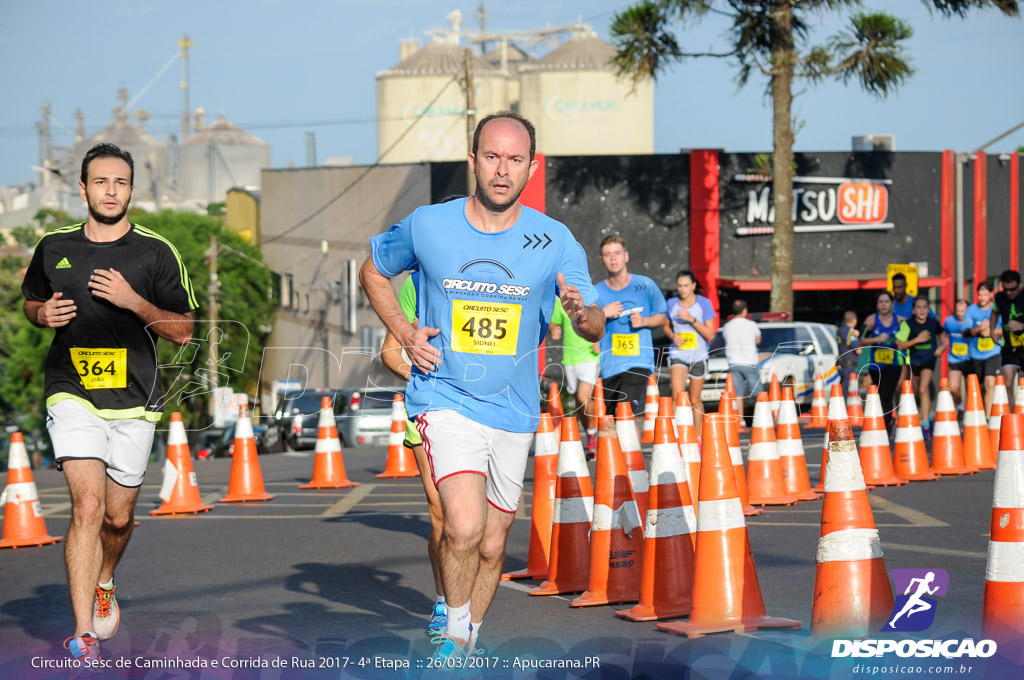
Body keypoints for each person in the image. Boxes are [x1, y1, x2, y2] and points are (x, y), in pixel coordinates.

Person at [359, 111, 603, 667]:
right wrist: (403, 330)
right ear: (472, 160)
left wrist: (580, 312)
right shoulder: (428, 225)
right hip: (444, 397)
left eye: (515, 160)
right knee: (462, 527)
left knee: (493, 545)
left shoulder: (555, 240)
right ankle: (455, 641)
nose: (502, 170)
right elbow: (372, 271)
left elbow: (592, 324)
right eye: (491, 157)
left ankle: (466, 629)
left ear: (531, 167)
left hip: (515, 410)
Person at [21, 143, 197, 660]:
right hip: (72, 390)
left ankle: (104, 580)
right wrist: (41, 315)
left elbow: (184, 331)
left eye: (120, 182)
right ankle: (83, 633)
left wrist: (134, 301)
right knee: (89, 506)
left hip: (135, 400)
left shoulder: (156, 252)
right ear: (83, 188)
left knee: (117, 520)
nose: (110, 190)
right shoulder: (53, 246)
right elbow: (32, 300)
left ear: (132, 189)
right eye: (100, 182)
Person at [380, 271, 447, 637]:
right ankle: (444, 602)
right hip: (426, 412)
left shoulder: (487, 279)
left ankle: (464, 598)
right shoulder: (416, 284)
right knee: (441, 511)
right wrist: (422, 378)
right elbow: (390, 352)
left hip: (479, 412)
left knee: (475, 521)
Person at [594, 236, 667, 420]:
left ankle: (626, 448)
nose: (613, 258)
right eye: (608, 255)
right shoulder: (596, 292)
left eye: (617, 253)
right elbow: (589, 327)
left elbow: (662, 317)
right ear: (601, 260)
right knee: (610, 419)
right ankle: (613, 449)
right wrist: (603, 314)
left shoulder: (645, 285)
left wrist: (645, 321)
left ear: (626, 256)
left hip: (638, 361)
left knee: (625, 412)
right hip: (610, 364)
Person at [662, 270, 716, 440]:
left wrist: (692, 319)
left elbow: (710, 333)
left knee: (695, 399)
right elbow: (665, 326)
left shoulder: (704, 304)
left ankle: (698, 436)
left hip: (698, 356)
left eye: (686, 285)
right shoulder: (671, 303)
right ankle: (676, 435)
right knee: (677, 396)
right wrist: (673, 336)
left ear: (693, 285)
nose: (683, 289)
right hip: (678, 353)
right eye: (680, 286)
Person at [548, 297, 600, 453]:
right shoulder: (560, 302)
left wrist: (598, 337)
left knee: (584, 397)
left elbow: (602, 319)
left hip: (590, 357)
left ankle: (592, 433)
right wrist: (552, 329)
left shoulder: (592, 300)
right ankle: (590, 433)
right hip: (569, 359)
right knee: (578, 400)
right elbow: (553, 321)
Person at [895, 297, 947, 439]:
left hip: (928, 360)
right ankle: (929, 414)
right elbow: (900, 345)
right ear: (913, 310)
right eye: (919, 307)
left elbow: (944, 338)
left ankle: (925, 425)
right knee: (917, 393)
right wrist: (918, 339)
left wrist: (942, 348)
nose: (922, 310)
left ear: (928, 309)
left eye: (925, 307)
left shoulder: (933, 323)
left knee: (924, 389)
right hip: (913, 361)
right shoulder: (908, 324)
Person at [860, 290, 906, 432]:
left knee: (887, 393)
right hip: (875, 364)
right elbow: (860, 340)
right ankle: (888, 420)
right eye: (881, 302)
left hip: (894, 363)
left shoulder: (900, 320)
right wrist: (876, 339)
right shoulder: (871, 320)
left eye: (887, 302)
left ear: (892, 304)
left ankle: (886, 427)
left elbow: (908, 338)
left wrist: (900, 341)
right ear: (877, 305)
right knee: (881, 394)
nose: (884, 305)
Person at [964, 281, 1002, 416]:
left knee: (990, 383)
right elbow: (965, 332)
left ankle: (988, 417)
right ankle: (978, 415)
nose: (982, 298)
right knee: (979, 387)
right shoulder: (971, 310)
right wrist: (978, 329)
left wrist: (993, 332)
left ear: (991, 294)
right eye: (979, 295)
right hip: (975, 355)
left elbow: (1007, 329)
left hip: (993, 352)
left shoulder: (997, 309)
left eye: (985, 294)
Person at [721, 299, 762, 421]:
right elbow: (758, 340)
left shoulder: (727, 326)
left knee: (738, 394)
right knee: (758, 393)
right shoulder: (751, 325)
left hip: (733, 362)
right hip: (749, 362)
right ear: (745, 310)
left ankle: (740, 420)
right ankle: (761, 418)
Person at [992, 269, 1024, 412]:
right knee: (1008, 383)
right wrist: (992, 330)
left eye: (1013, 289)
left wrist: (1022, 326)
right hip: (1009, 346)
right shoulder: (999, 297)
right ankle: (1012, 418)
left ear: (1020, 284)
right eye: (1006, 289)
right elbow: (994, 312)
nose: (1009, 293)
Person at [943, 299, 972, 409]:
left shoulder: (971, 322)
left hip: (970, 359)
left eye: (963, 311)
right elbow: (944, 334)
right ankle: (960, 407)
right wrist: (944, 344)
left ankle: (971, 412)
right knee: (953, 387)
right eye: (958, 311)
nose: (960, 314)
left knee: (971, 388)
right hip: (954, 359)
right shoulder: (949, 321)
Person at [836, 310, 860, 392]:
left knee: (843, 389)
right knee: (849, 391)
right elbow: (858, 350)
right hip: (849, 366)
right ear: (855, 320)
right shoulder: (850, 331)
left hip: (842, 364)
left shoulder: (840, 330)